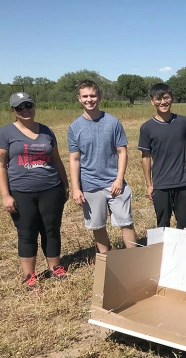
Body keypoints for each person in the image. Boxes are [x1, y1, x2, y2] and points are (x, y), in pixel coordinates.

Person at [0, 92, 69, 289]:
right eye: (20, 107)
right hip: (21, 191)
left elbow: (57, 160)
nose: (25, 110)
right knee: (27, 232)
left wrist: (65, 184)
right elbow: (0, 166)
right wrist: (5, 195)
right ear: (13, 111)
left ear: (33, 106)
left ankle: (55, 267)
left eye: (28, 105)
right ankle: (29, 275)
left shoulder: (46, 131)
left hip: (51, 188)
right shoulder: (5, 134)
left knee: (51, 229)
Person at [68, 80, 137, 253]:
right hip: (90, 185)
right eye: (85, 96)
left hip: (114, 183)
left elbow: (122, 152)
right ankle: (107, 262)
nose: (89, 99)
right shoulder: (74, 127)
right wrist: (76, 188)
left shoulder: (113, 122)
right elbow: (74, 160)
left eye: (92, 95)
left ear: (99, 97)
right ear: (79, 99)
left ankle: (135, 260)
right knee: (98, 226)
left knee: (126, 222)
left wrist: (119, 179)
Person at [138, 83, 186, 229]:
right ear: (152, 101)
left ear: (172, 99)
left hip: (182, 182)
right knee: (163, 224)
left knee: (183, 224)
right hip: (160, 184)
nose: (163, 102)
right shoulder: (147, 128)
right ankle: (165, 250)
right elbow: (146, 157)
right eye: (158, 99)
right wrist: (149, 185)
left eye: (166, 98)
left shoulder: (183, 122)